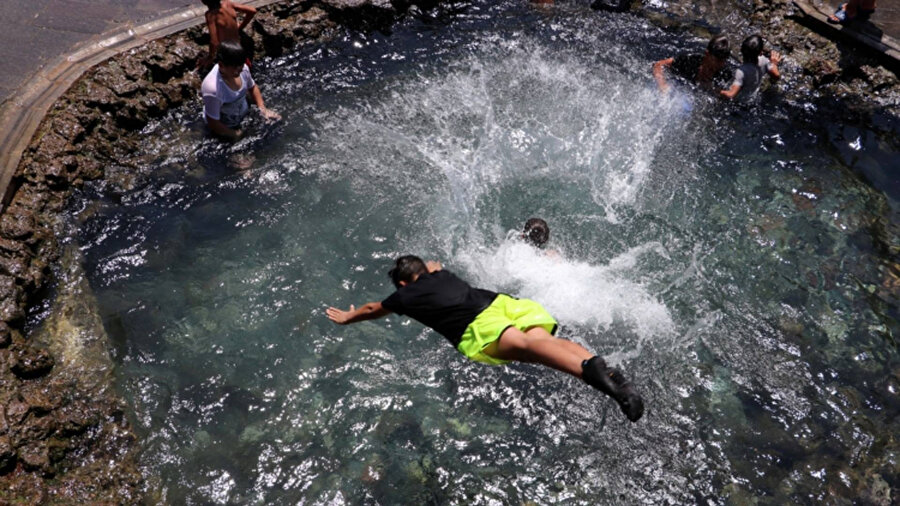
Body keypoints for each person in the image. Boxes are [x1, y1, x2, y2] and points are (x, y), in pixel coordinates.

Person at [326, 255, 645, 422]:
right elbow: (432, 264)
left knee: (529, 348)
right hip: (507, 304)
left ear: (405, 283)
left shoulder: (407, 295)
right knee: (542, 342)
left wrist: (348, 317)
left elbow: (372, 308)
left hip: (479, 324)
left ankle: (596, 374)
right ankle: (602, 369)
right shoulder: (439, 273)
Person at [201, 40, 280, 141]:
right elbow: (213, 122)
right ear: (221, 65)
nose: (239, 70)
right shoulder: (212, 88)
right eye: (235, 67)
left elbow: (253, 87)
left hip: (243, 113)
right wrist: (234, 134)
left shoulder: (243, 69)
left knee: (277, 121)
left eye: (241, 65)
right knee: (245, 157)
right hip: (224, 126)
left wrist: (263, 109)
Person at [652, 34, 732, 93]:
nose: (720, 64)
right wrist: (662, 85)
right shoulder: (690, 60)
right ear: (707, 54)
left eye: (723, 61)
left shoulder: (724, 74)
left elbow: (727, 95)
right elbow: (659, 64)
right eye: (717, 60)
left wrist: (711, 89)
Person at [198, 0, 257, 69]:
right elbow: (252, 10)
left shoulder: (211, 15)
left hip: (228, 53)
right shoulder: (228, 4)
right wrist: (241, 26)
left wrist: (210, 57)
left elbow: (214, 42)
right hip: (239, 48)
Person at [720, 35, 781, 102]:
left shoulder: (741, 71)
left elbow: (731, 95)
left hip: (737, 102)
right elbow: (776, 75)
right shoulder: (764, 61)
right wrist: (774, 64)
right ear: (761, 53)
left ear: (741, 50)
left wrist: (715, 90)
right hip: (751, 98)